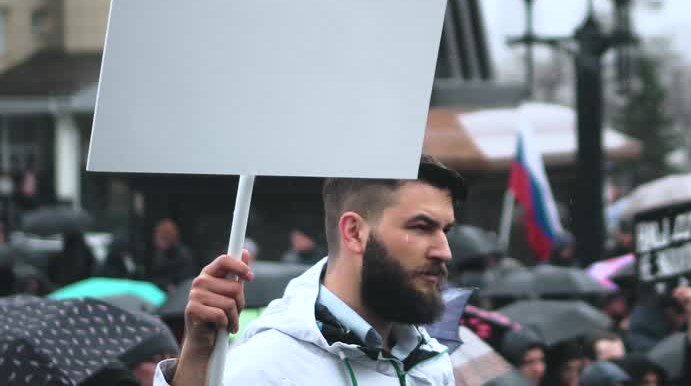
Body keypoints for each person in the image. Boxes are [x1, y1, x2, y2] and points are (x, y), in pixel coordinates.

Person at [156, 156, 464, 385]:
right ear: (355, 232)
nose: (444, 251)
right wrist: (195, 359)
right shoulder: (265, 369)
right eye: (422, 227)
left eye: (445, 230)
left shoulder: (431, 365)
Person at [148, 218, 195, 290]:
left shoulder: (183, 255)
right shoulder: (159, 254)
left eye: (160, 238)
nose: (156, 241)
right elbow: (155, 277)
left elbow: (187, 278)